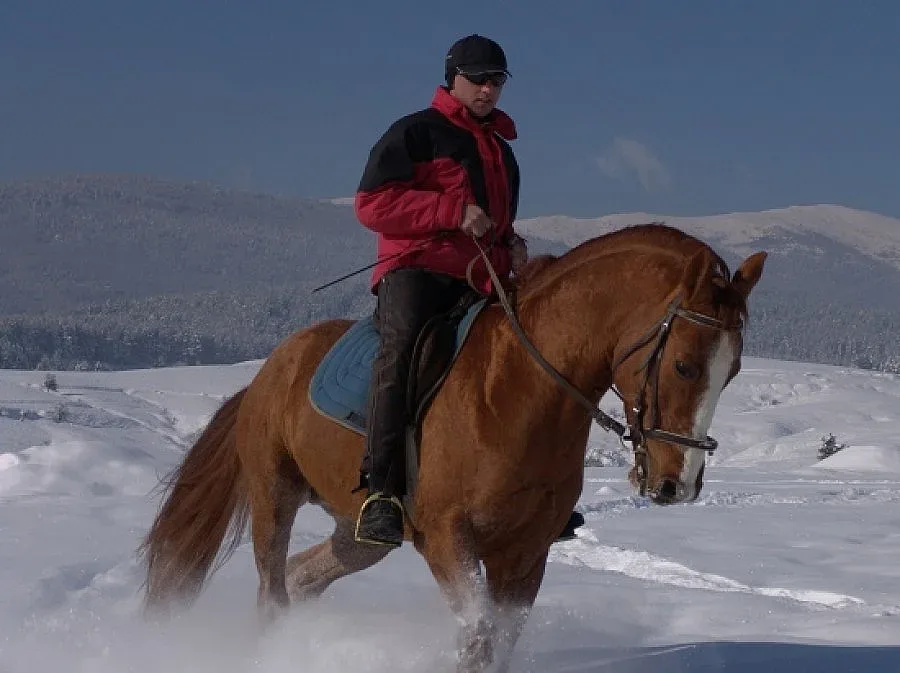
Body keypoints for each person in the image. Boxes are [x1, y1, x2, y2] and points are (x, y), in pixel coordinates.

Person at [353, 34, 584, 547]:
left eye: (497, 80)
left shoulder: (502, 151)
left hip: (483, 279)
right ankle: (381, 492)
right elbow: (371, 205)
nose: (487, 88)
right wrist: (450, 213)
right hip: (417, 270)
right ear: (451, 76)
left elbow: (494, 226)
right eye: (478, 78)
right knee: (401, 352)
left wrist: (512, 246)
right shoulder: (416, 131)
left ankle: (539, 492)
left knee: (535, 359)